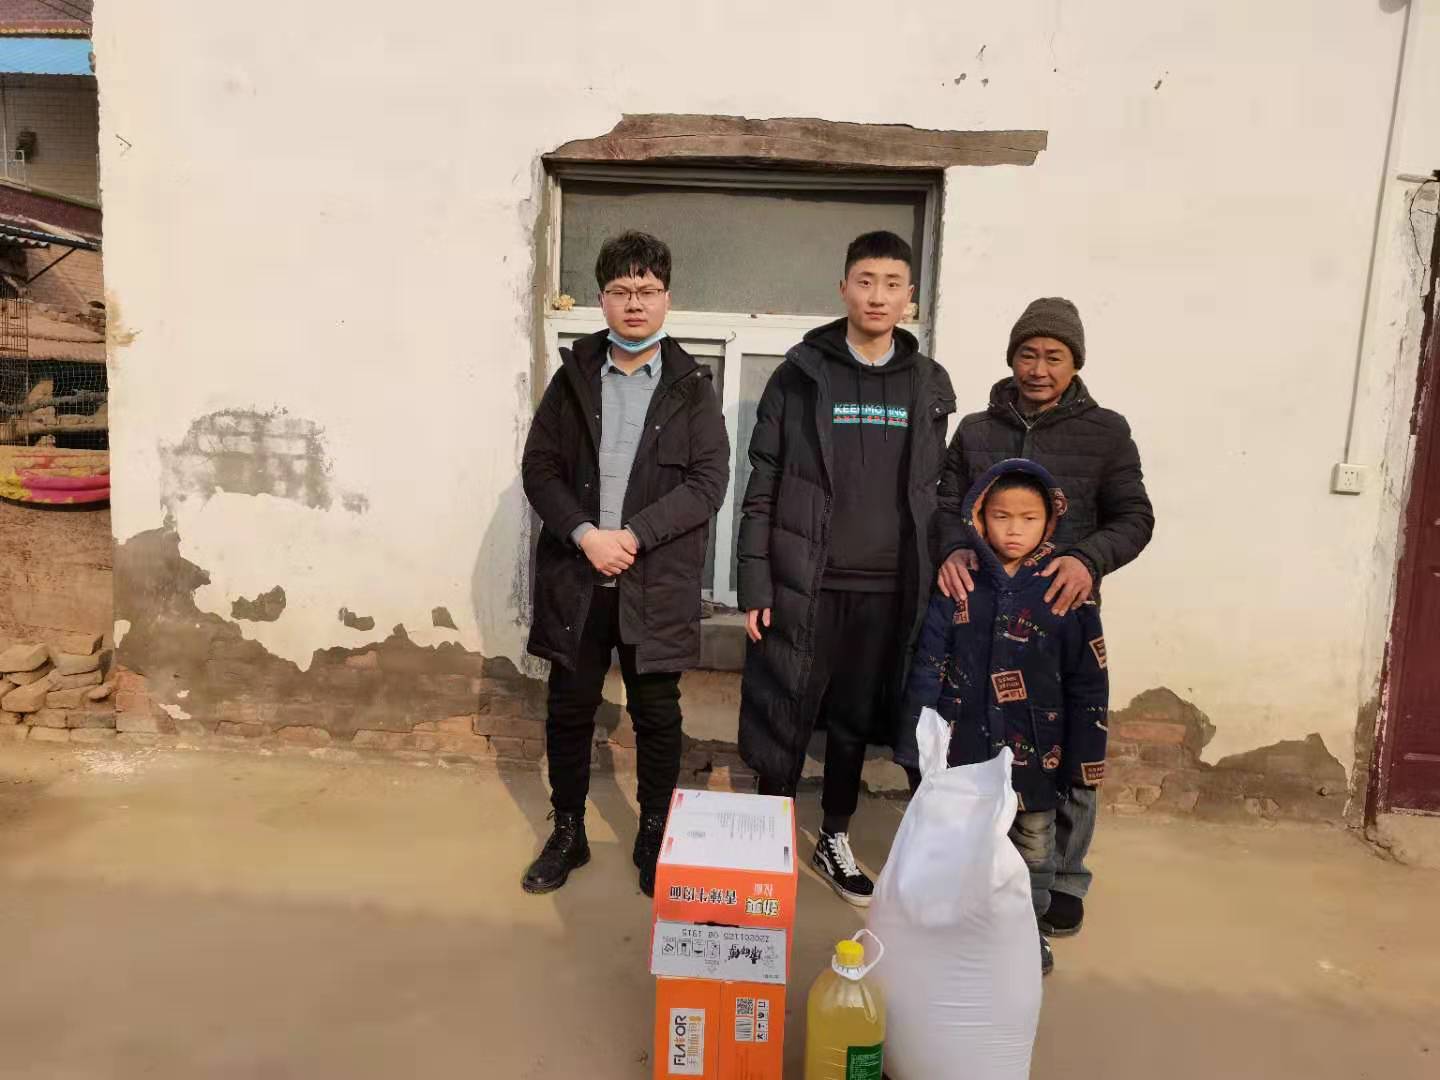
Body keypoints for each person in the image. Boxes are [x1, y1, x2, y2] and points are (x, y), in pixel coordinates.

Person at [736, 230, 956, 907]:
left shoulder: (927, 383)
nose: (877, 296)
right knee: (785, 707)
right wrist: (755, 582)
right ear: (843, 289)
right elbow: (764, 481)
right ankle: (766, 838)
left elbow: (937, 492)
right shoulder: (801, 375)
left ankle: (833, 836)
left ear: (910, 297)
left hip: (889, 587)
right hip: (808, 579)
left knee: (856, 717)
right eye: (865, 281)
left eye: (892, 284)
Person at [933, 296, 1153, 938]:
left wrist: (1087, 559)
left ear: (1075, 362)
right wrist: (952, 549)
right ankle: (993, 869)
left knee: (1075, 746)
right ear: (1012, 358)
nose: (1039, 368)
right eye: (1027, 354)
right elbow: (945, 506)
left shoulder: (1106, 431)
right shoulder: (976, 430)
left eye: (1054, 356)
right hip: (984, 616)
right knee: (988, 737)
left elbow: (1135, 517)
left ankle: (1064, 878)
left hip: (1064, 615)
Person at [520, 231, 730, 897]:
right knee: (570, 707)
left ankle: (654, 831)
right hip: (579, 577)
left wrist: (633, 536)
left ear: (667, 298)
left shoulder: (692, 387)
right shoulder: (573, 379)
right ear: (602, 299)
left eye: (647, 290)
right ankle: (568, 830)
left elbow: (708, 482)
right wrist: (586, 535)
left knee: (657, 713)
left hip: (654, 580)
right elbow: (540, 468)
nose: (634, 303)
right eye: (620, 291)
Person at [900, 458, 1109, 976]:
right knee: (962, 845)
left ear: (1050, 521)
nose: (1014, 529)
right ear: (978, 517)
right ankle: (960, 926)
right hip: (966, 749)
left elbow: (1089, 682)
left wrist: (1086, 758)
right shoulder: (961, 582)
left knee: (1032, 850)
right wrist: (915, 743)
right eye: (1001, 516)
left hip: (1037, 752)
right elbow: (928, 663)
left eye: (1028, 518)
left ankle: (1026, 931)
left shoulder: (1066, 589)